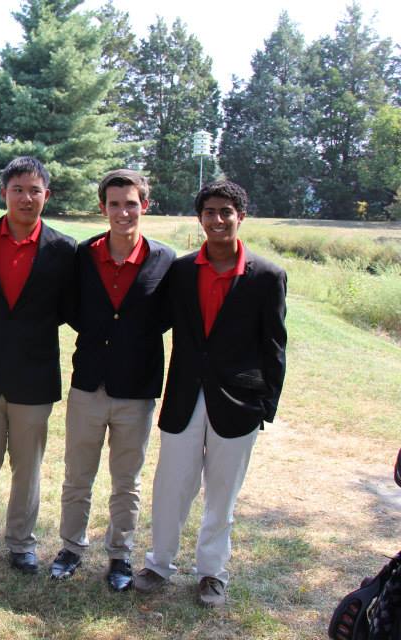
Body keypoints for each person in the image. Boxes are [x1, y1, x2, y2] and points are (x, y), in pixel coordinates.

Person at [133, 180, 287, 607]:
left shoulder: (267, 276)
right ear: (199, 219)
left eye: (226, 212)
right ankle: (158, 563)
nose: (217, 220)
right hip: (184, 396)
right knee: (170, 486)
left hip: (238, 404)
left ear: (241, 216)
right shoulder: (180, 271)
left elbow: (275, 347)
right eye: (210, 213)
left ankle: (212, 573)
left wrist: (265, 407)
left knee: (222, 493)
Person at [51, 170, 175, 589]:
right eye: (115, 204)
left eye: (131, 203)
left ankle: (120, 556)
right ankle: (70, 546)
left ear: (145, 205)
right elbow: (70, 307)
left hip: (136, 390)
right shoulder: (82, 256)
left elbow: (167, 318)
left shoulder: (165, 261)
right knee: (77, 474)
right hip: (89, 384)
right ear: (103, 208)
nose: (123, 211)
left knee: (127, 481)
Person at [0, 156, 77, 574]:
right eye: (18, 189)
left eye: (35, 190)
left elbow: (65, 307)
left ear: (47, 195)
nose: (26, 198)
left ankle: (22, 543)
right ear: (4, 192)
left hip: (35, 373)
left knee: (28, 467)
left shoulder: (64, 249)